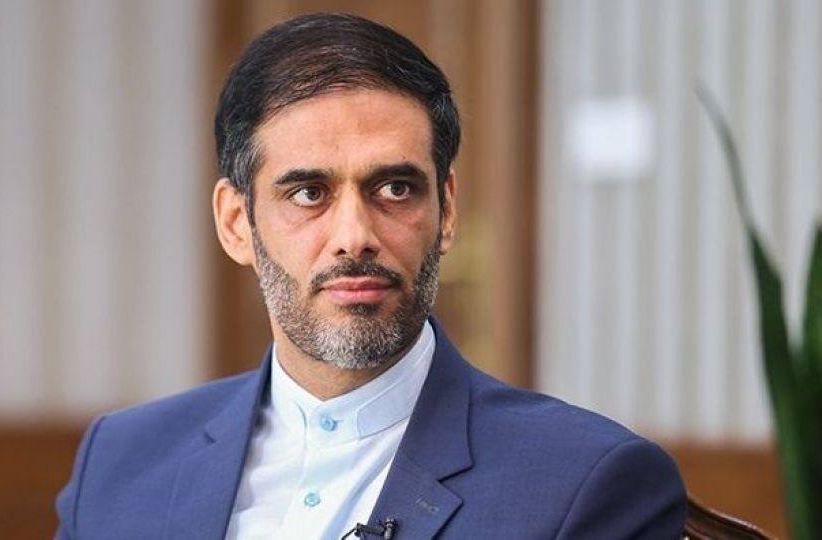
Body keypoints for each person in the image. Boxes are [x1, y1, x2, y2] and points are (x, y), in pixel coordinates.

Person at [55, 13, 686, 539]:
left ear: (446, 211)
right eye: (309, 193)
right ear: (236, 224)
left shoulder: (583, 483)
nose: (354, 235)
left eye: (394, 188)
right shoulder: (119, 463)